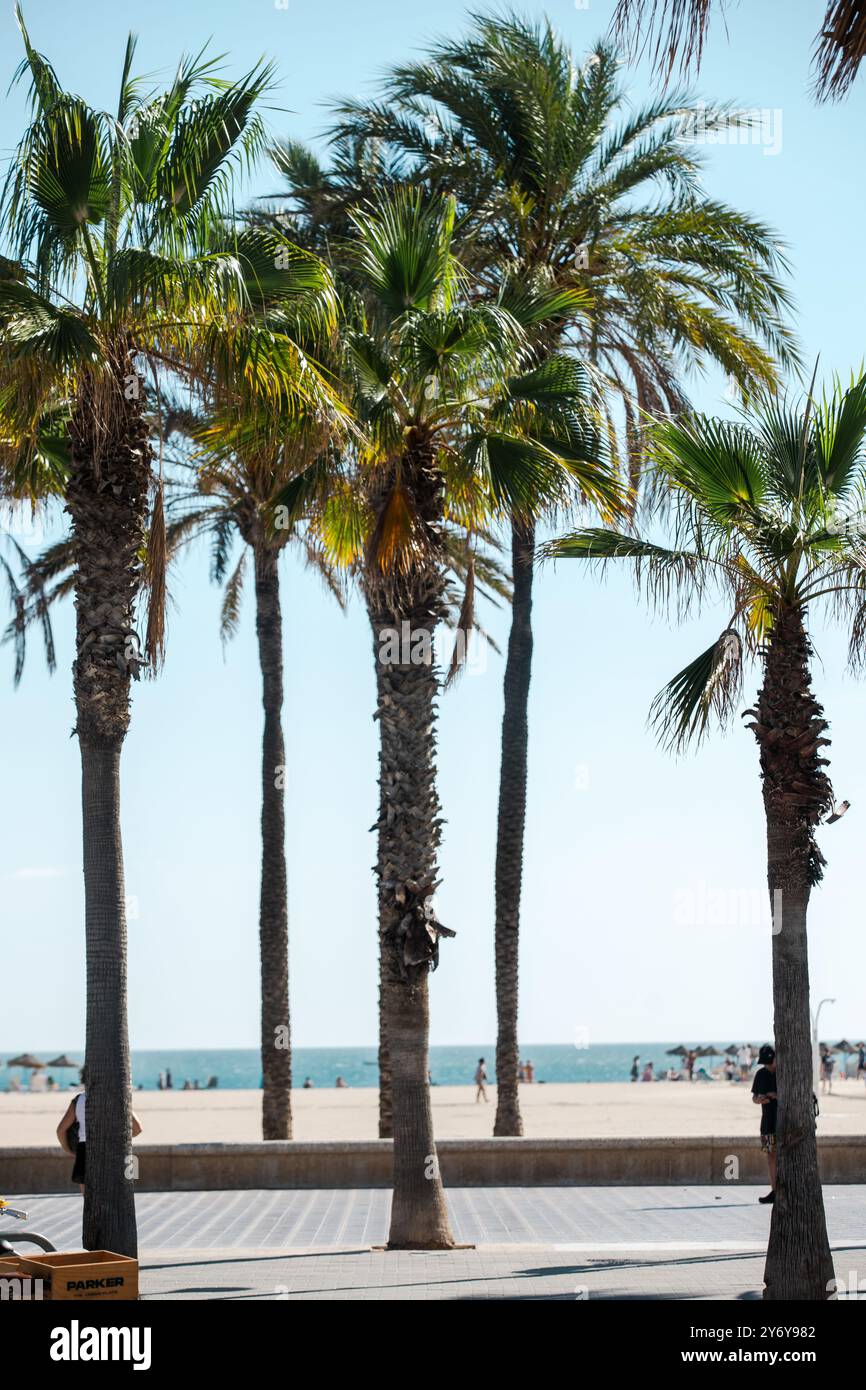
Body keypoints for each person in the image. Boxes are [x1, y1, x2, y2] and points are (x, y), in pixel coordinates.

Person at [56, 1067, 142, 1194]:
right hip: (115, 1149)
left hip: (85, 1148)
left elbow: (60, 1130)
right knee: (117, 1196)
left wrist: (67, 1148)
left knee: (89, 1199)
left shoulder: (79, 1100)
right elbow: (137, 1129)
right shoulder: (119, 1098)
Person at [751, 1044, 777, 1204]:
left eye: (770, 1062)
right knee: (771, 1156)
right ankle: (775, 1190)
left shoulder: (785, 1073)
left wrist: (777, 1095)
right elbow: (754, 1097)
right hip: (767, 1122)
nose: (768, 1065)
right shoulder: (760, 1074)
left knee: (783, 1156)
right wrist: (758, 1100)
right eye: (765, 1063)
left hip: (784, 1122)